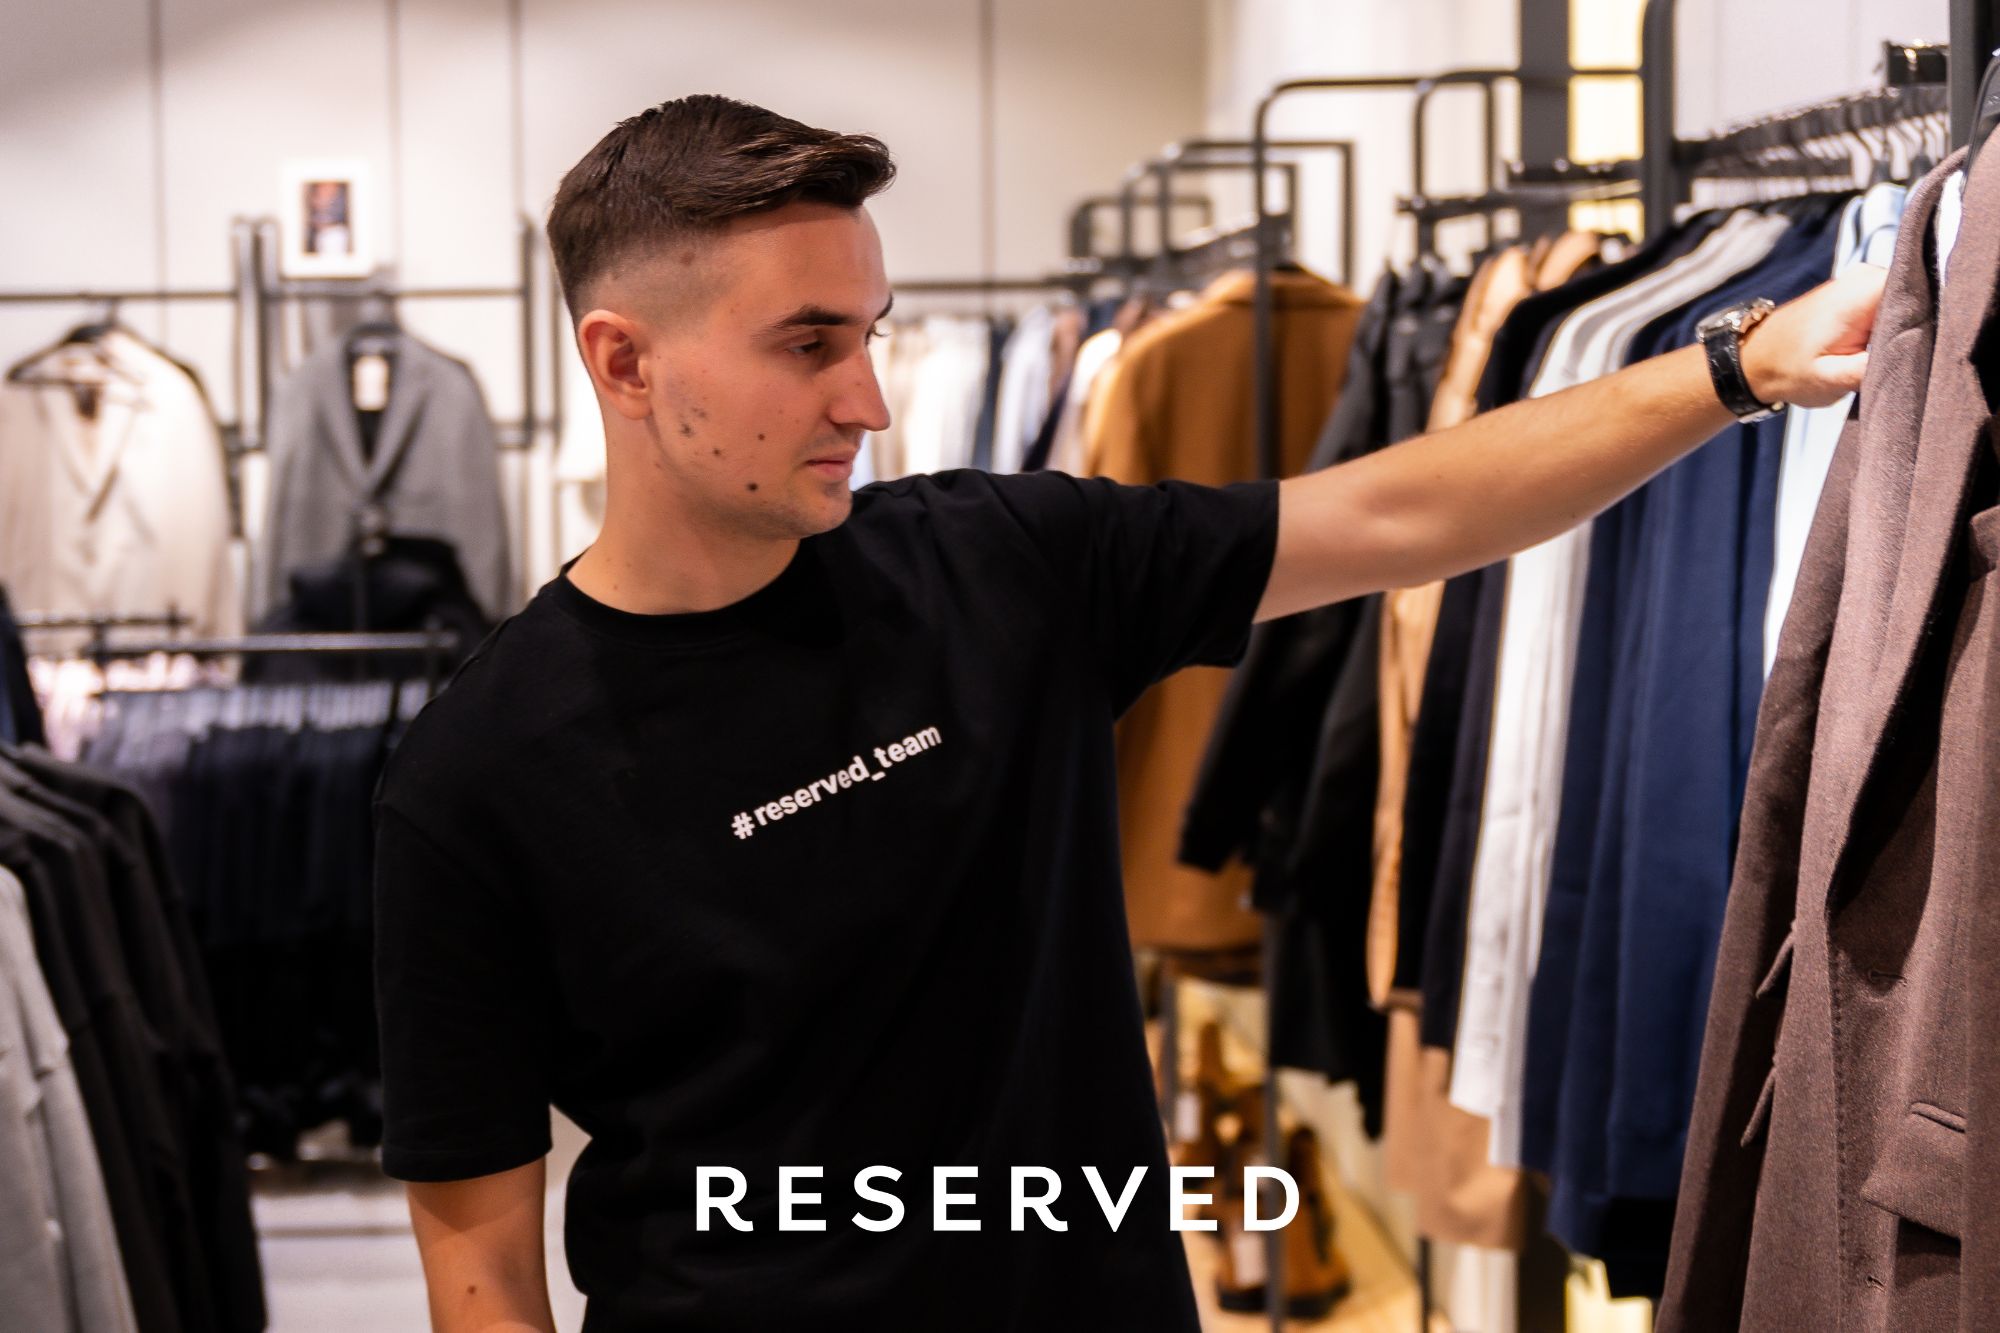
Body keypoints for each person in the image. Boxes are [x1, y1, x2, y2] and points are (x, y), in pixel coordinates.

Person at [371, 94, 1885, 1332]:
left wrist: (1734, 368)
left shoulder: (998, 566)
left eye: (872, 334)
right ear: (623, 361)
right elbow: (480, 1258)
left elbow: (1399, 512)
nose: (869, 400)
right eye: (808, 344)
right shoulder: (478, 773)